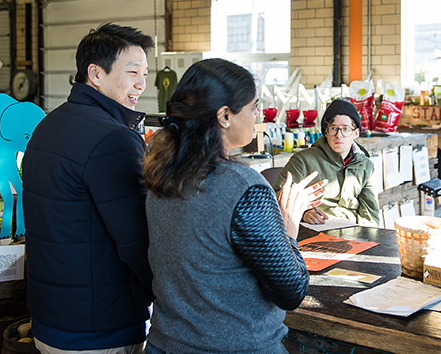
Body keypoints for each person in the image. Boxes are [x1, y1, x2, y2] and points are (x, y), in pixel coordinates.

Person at [142, 58, 324, 354]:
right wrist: (288, 227)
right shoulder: (244, 188)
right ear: (224, 116)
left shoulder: (161, 175)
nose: (257, 115)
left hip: (165, 343)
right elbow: (291, 291)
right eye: (253, 107)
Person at [22, 23, 154, 353]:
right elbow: (137, 240)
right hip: (101, 326)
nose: (141, 84)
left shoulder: (49, 124)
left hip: (52, 318)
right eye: (133, 72)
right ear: (95, 74)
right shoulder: (113, 138)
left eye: (145, 73)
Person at [273, 99, 380, 226]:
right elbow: (276, 198)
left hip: (352, 233)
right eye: (333, 128)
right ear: (325, 132)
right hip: (315, 231)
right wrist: (304, 214)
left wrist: (369, 240)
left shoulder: (366, 165)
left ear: (356, 133)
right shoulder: (303, 160)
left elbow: (370, 215)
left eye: (346, 129)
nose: (339, 135)